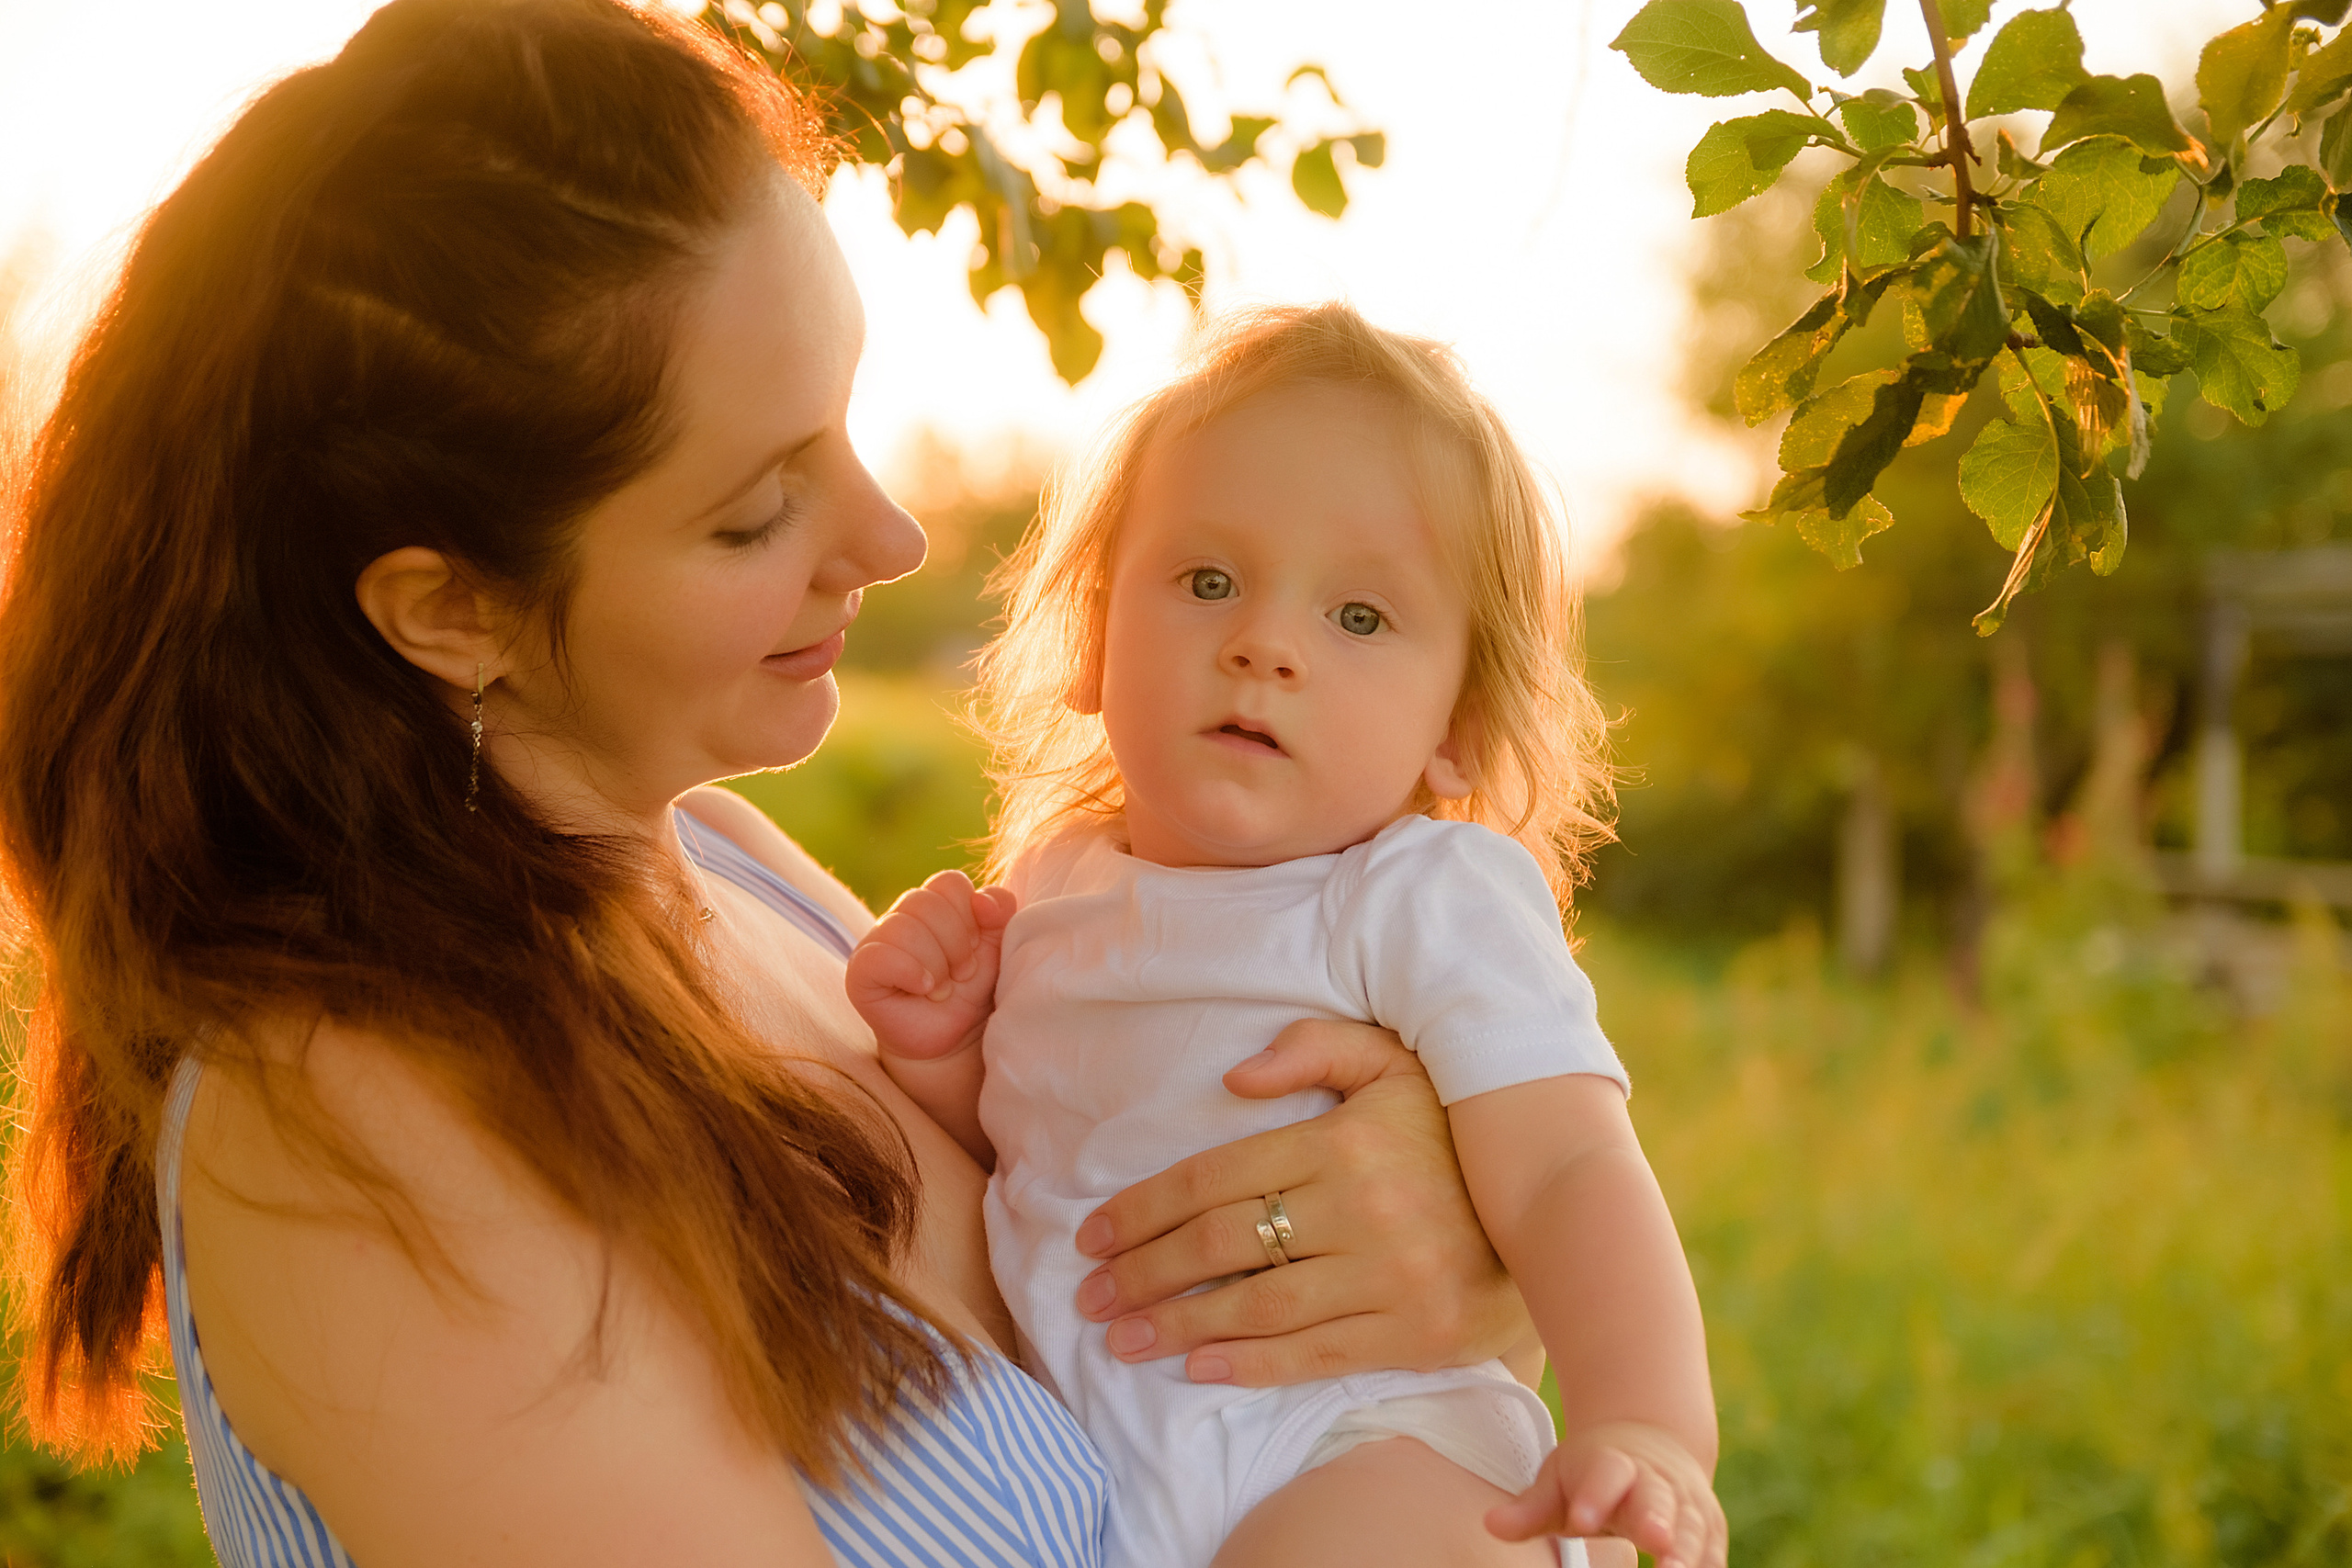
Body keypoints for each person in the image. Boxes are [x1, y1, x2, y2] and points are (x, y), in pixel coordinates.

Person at [0, 6, 1555, 1564]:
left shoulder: (734, 874)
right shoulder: (358, 1127)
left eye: (845, 422)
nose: (894, 538)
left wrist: (1476, 1230)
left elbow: (1166, 1293)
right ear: (455, 608)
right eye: (755, 512)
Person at [846, 304, 1729, 1568]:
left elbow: (1564, 1169)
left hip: (1369, 1448)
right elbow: (1046, 1155)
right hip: (1122, 1473)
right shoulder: (1055, 887)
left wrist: (1646, 1424)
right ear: (1096, 634)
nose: (1262, 645)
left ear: (1458, 729)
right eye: (1208, 583)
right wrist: (943, 1056)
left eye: (1358, 617)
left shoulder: (1420, 895)